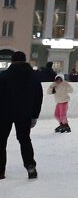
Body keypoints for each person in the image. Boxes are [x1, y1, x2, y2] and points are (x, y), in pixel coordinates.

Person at [0, 50, 43, 180]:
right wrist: (34, 115)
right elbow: (38, 97)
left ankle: (0, 171)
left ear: (12, 61)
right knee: (24, 140)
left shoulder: (3, 76)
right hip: (25, 114)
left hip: (4, 113)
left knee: (1, 141)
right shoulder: (33, 77)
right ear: (25, 61)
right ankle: (30, 166)